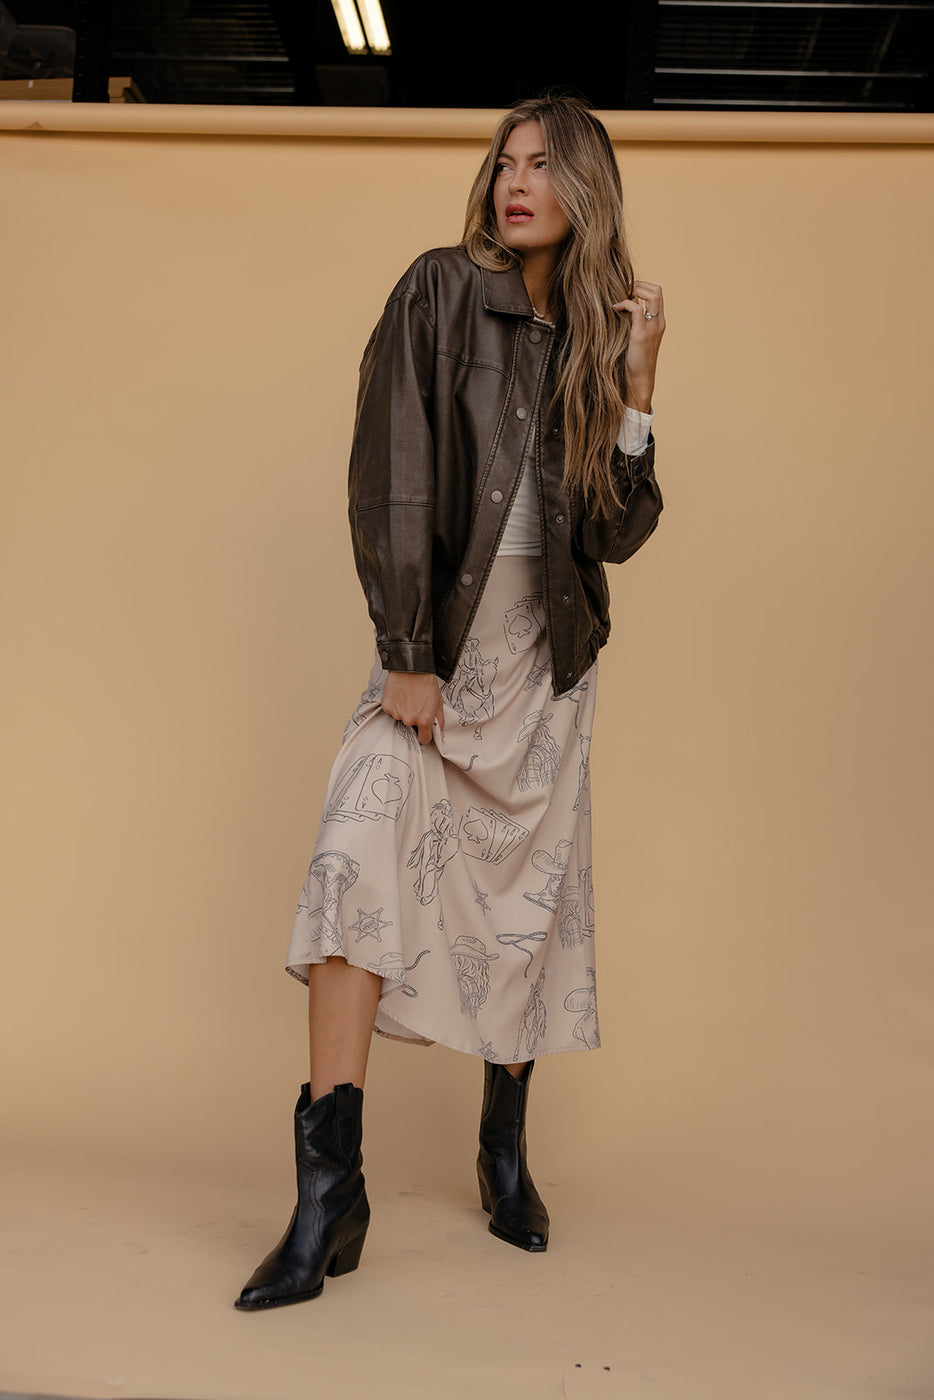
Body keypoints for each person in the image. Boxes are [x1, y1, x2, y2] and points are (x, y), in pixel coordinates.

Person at [235, 93, 665, 1312]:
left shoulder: (587, 336)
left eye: (541, 164)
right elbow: (392, 467)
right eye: (503, 163)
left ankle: (502, 1150)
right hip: (438, 660)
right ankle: (330, 1194)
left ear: (586, 186)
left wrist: (637, 384)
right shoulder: (435, 292)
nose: (512, 182)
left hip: (545, 670)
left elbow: (615, 534)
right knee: (353, 861)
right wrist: (405, 648)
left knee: (525, 910)